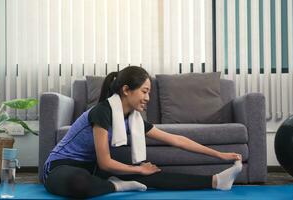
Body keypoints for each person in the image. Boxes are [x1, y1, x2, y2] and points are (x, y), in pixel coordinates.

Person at [43, 66, 243, 199]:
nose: (148, 97)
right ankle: (117, 185)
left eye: (149, 92)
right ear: (127, 90)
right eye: (144, 91)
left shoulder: (133, 118)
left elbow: (176, 140)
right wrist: (138, 170)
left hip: (93, 170)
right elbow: (105, 162)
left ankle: (216, 181)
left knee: (150, 173)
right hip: (61, 168)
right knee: (80, 183)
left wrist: (220, 155)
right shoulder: (102, 111)